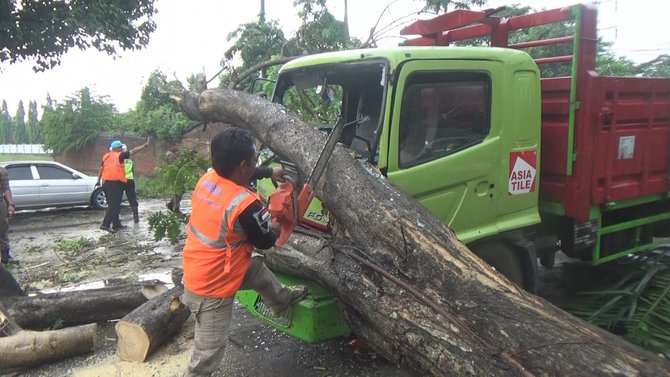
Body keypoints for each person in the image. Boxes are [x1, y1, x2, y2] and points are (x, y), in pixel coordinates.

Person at [181, 127, 308, 376]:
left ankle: (281, 301)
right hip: (212, 289)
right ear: (242, 166)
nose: (254, 166)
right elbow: (266, 241)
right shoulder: (245, 204)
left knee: (256, 267)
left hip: (200, 269)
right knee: (206, 359)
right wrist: (276, 221)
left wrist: (270, 172)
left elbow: (240, 175)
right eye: (253, 163)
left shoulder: (208, 179)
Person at [96, 139, 149, 232]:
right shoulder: (119, 155)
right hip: (114, 183)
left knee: (114, 204)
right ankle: (105, 224)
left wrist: (98, 180)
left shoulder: (106, 156)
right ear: (116, 148)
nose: (121, 148)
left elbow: (101, 169)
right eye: (120, 147)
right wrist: (145, 145)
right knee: (114, 205)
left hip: (106, 183)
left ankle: (116, 225)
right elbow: (134, 151)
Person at [0, 166, 16, 265]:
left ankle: (5, 257)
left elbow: (6, 189)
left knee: (2, 230)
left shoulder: (1, 171)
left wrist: (10, 204)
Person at [122, 143, 141, 223]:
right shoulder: (130, 161)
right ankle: (136, 218)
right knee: (132, 199)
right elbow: (132, 171)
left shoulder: (119, 161)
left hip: (120, 181)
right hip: (130, 180)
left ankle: (115, 220)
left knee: (117, 199)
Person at [165, 141, 185, 216]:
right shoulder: (170, 155)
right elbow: (174, 166)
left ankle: (172, 205)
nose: (178, 147)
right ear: (172, 145)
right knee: (178, 191)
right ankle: (175, 208)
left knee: (180, 191)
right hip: (175, 176)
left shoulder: (173, 154)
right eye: (177, 145)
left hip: (177, 176)